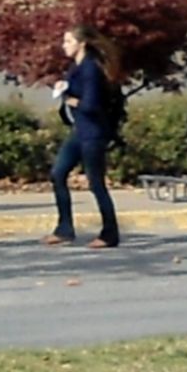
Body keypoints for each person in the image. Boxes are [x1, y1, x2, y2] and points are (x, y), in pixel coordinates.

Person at [47, 25, 122, 249]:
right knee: (57, 174)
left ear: (82, 44)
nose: (64, 46)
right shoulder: (75, 68)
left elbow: (91, 104)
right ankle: (65, 229)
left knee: (96, 183)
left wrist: (68, 98)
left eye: (68, 42)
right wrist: (64, 88)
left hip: (93, 134)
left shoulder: (90, 69)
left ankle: (110, 233)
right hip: (79, 132)